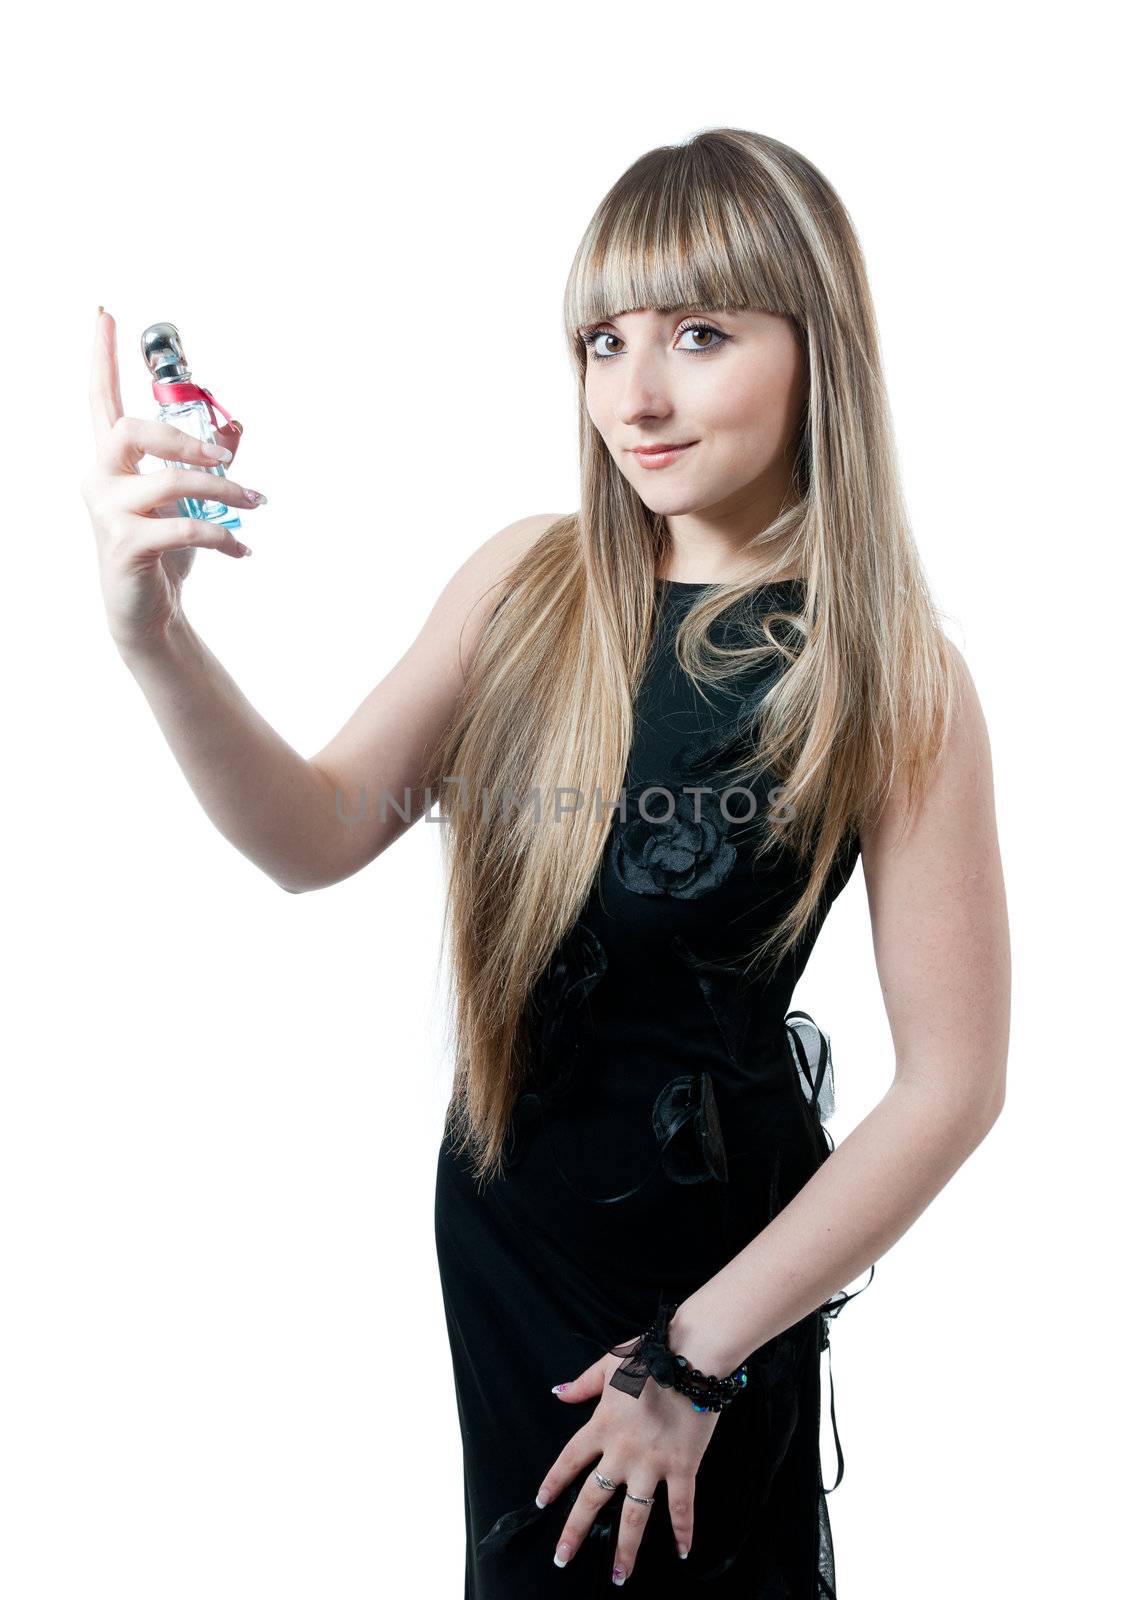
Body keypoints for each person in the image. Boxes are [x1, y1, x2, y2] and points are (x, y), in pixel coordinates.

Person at [82, 126, 1009, 1598]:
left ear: (814, 341)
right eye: (603, 339)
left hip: (705, 1302)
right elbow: (317, 834)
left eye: (700, 334)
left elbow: (955, 1082)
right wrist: (155, 637)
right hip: (512, 1254)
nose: (635, 394)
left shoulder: (883, 665)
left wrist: (695, 1361)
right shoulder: (527, 588)